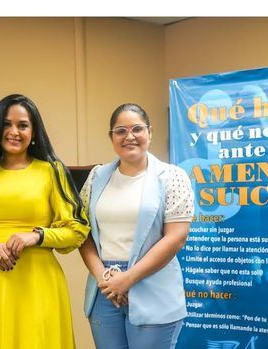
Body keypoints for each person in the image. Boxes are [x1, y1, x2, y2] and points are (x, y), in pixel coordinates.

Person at [0, 94, 90, 349]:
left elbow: (77, 229)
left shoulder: (52, 171)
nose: (14, 131)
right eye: (6, 124)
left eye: (22, 125)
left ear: (33, 132)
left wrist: (37, 236)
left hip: (38, 281)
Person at [79, 103, 194, 349]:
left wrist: (128, 278)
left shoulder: (173, 176)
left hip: (152, 285)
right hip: (104, 288)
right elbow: (83, 233)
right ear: (111, 137)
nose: (129, 136)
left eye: (137, 129)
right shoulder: (97, 177)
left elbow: (176, 237)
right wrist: (104, 278)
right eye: (120, 131)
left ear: (149, 133)